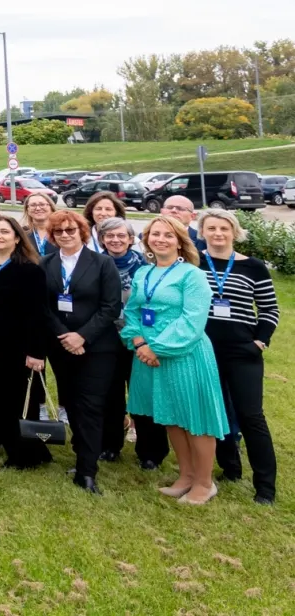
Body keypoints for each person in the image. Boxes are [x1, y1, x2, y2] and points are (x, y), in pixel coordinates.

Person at [122, 215, 229, 505]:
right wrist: (139, 341)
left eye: (168, 235)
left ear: (180, 242)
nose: (160, 239)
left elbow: (192, 320)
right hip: (148, 353)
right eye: (155, 234)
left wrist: (156, 347)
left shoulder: (192, 275)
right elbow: (132, 311)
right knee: (170, 416)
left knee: (195, 418)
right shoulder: (143, 273)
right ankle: (186, 476)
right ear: (147, 240)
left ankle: (205, 483)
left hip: (184, 353)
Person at [196, 209, 278, 505]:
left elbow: (269, 310)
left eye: (224, 229)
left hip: (243, 352)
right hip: (203, 351)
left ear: (234, 232)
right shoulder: (193, 263)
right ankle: (230, 468)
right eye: (212, 228)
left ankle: (265, 487)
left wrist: (259, 341)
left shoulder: (254, 267)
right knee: (214, 413)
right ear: (202, 231)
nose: (218, 234)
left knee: (251, 416)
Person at [41, 209, 125, 495]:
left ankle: (87, 471)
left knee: (89, 406)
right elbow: (43, 306)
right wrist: (64, 336)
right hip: (60, 346)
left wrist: (82, 336)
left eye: (70, 230)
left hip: (97, 347)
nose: (65, 235)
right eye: (59, 232)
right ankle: (82, 453)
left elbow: (111, 307)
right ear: (52, 236)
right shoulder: (46, 264)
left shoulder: (102, 264)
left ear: (81, 232)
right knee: (72, 404)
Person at [0, 215, 52, 469]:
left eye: (4, 232)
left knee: (17, 401)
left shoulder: (29, 270)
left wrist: (36, 353)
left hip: (16, 347)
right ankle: (2, 439)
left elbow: (38, 315)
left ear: (17, 238)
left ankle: (25, 455)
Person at [96, 216, 161, 465]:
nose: (115, 240)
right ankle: (110, 445)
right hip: (106, 340)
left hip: (140, 340)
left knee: (143, 395)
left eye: (121, 235)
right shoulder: (95, 264)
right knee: (111, 395)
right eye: (109, 236)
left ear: (131, 239)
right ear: (102, 239)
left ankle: (150, 452)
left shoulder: (146, 266)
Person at [23, 191, 57, 257]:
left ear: (51, 207)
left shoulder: (61, 231)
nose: (38, 208)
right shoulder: (22, 232)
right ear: (27, 209)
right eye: (33, 205)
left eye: (42, 204)